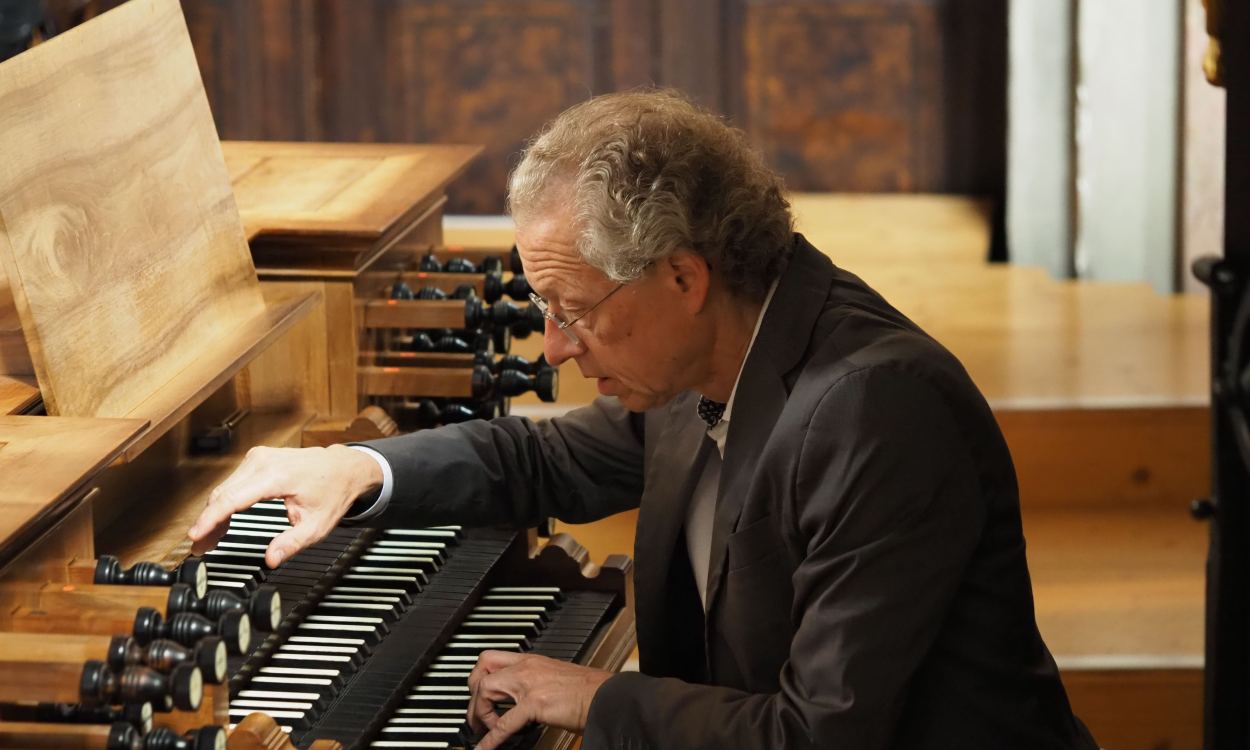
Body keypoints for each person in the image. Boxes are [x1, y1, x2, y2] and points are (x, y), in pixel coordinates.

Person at [189, 89, 1098, 750]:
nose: (552, 348)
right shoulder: (713, 350)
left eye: (572, 310)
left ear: (682, 277)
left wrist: (598, 700)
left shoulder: (873, 412)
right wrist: (358, 470)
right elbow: (541, 462)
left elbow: (819, 736)